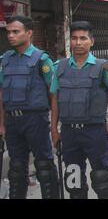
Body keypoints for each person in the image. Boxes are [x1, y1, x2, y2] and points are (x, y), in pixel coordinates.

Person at [49, 21, 108, 199]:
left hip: (95, 132)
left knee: (101, 178)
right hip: (69, 133)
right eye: (74, 38)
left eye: (83, 38)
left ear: (92, 41)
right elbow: (55, 99)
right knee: (74, 180)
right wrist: (53, 130)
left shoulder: (103, 67)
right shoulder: (59, 67)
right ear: (70, 41)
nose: (78, 42)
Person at [0, 16, 60, 199]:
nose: (10, 35)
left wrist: (53, 127)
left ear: (29, 33)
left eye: (15, 32)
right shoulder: (5, 60)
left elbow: (54, 94)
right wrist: (2, 125)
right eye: (8, 32)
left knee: (44, 168)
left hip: (35, 120)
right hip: (12, 121)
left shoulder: (42, 60)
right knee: (16, 169)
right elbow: (1, 94)